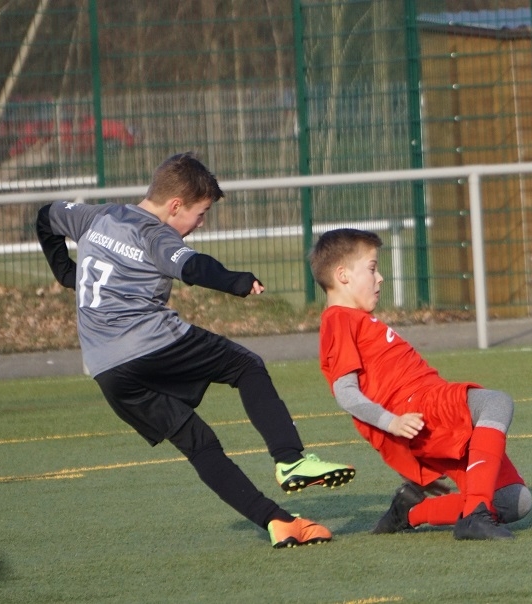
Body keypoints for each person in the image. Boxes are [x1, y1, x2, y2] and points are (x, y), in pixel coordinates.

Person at [35, 151, 355, 548]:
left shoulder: (97, 217)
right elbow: (192, 267)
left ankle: (278, 522)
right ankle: (291, 459)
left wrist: (65, 272)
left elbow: (46, 215)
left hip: (106, 368)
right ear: (175, 206)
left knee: (198, 443)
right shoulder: (156, 235)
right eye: (200, 214)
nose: (200, 223)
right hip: (150, 342)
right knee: (246, 366)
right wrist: (236, 281)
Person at [309, 228, 532, 540]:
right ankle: (476, 516)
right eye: (372, 268)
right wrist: (392, 422)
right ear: (343, 275)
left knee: (514, 501)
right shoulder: (338, 319)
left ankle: (410, 513)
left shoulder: (356, 318)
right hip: (419, 406)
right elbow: (345, 393)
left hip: (426, 415)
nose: (380, 278)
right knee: (496, 402)